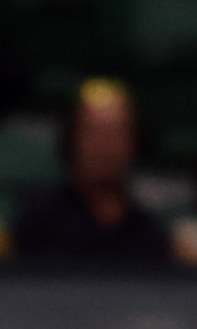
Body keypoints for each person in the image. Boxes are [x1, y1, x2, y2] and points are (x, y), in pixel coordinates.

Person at [13, 80, 173, 262]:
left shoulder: (150, 233)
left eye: (117, 134)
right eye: (94, 134)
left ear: (137, 142)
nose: (105, 148)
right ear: (71, 140)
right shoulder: (39, 221)